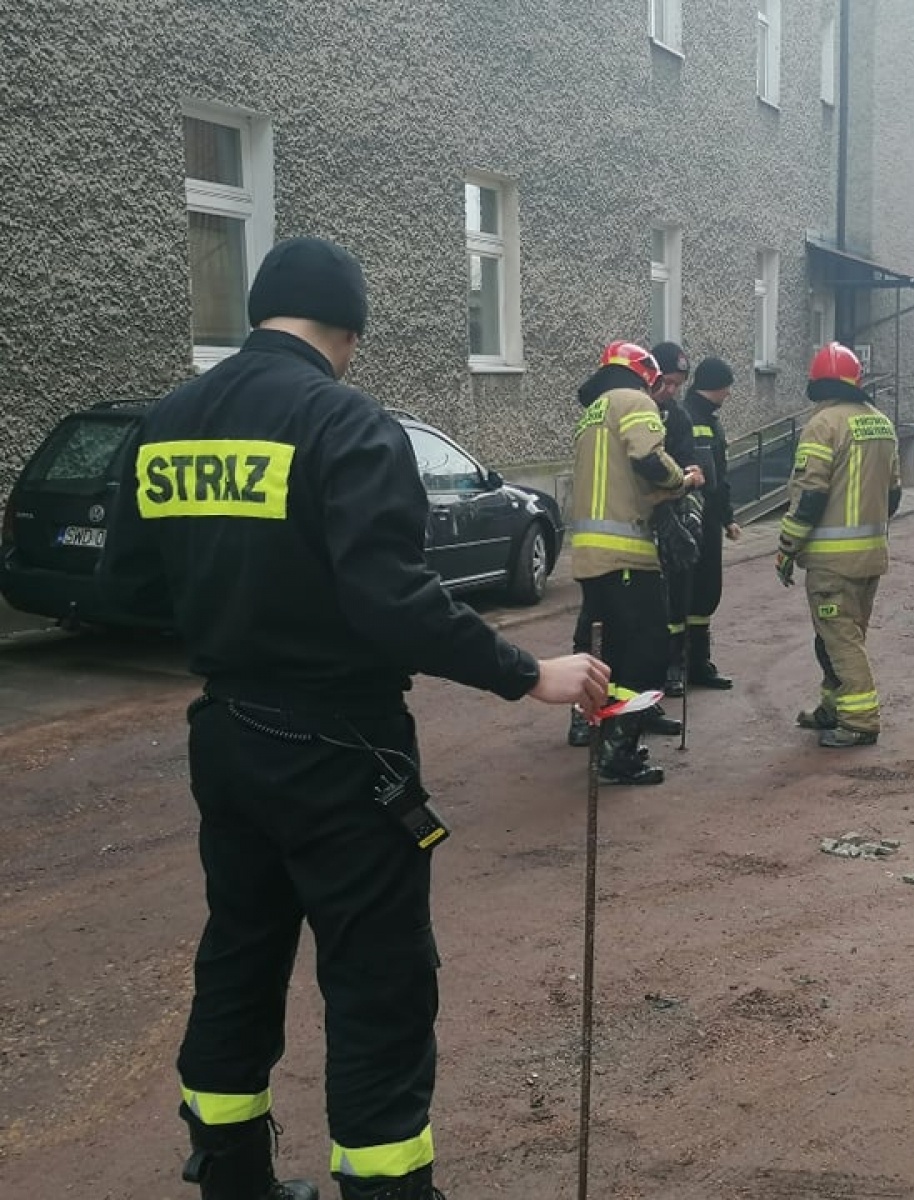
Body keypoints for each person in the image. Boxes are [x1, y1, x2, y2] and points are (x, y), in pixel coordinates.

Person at [99, 236, 611, 1200]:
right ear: (349, 334)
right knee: (378, 981)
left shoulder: (165, 422)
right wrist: (526, 673)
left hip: (228, 734)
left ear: (259, 315)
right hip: (341, 747)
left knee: (239, 952)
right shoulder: (345, 421)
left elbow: (127, 578)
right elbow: (394, 602)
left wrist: (235, 608)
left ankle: (230, 1176)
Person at [569, 341, 704, 783]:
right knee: (645, 654)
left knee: (609, 654)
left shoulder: (594, 412)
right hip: (627, 553)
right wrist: (682, 481)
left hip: (592, 556)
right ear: (645, 375)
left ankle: (599, 732)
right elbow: (648, 458)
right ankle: (618, 750)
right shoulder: (635, 401)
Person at [775, 343, 901, 748]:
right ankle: (832, 708)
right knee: (837, 636)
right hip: (870, 556)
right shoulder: (881, 422)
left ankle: (861, 720)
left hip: (832, 562)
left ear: (816, 383)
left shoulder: (823, 424)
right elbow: (894, 494)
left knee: (841, 640)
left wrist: (787, 547)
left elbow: (809, 495)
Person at [680, 355, 740, 689]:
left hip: (706, 518)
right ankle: (686, 664)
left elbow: (719, 474)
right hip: (696, 519)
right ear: (715, 386)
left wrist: (727, 517)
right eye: (727, 386)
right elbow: (711, 478)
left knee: (704, 592)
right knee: (692, 591)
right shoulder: (693, 418)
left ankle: (695, 661)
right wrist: (722, 514)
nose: (729, 393)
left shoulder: (703, 417)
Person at [648, 342, 702, 698]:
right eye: (666, 382)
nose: (671, 391)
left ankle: (674, 665)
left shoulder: (679, 417)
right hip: (643, 520)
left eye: (677, 385)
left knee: (678, 596)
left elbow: (688, 462)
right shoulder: (638, 413)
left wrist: (693, 505)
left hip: (674, 516)